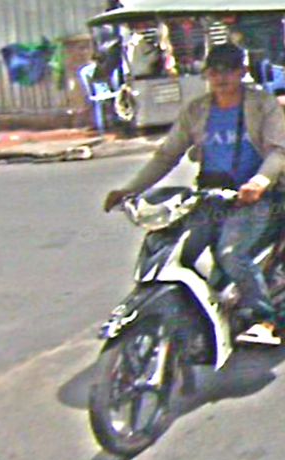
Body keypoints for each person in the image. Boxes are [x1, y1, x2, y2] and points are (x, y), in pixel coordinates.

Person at [103, 42, 285, 345]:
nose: (221, 77)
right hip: (209, 196)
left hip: (256, 199)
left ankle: (262, 318)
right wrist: (129, 189)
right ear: (206, 74)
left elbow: (279, 151)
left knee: (231, 254)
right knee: (175, 250)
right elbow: (167, 155)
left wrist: (259, 182)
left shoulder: (262, 105)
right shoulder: (197, 110)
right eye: (215, 71)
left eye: (229, 70)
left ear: (242, 72)